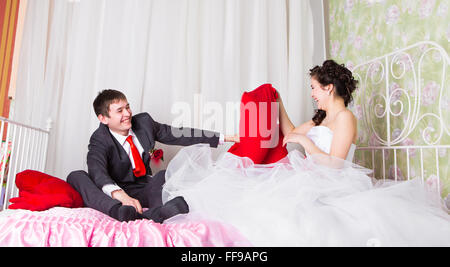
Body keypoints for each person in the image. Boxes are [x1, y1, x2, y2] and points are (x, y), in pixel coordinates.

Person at [162, 60, 450, 246]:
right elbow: (289, 135)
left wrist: (308, 144)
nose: (312, 93)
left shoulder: (345, 118)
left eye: (314, 88)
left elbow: (335, 165)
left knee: (285, 212)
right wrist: (277, 101)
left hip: (331, 180)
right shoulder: (319, 119)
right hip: (310, 173)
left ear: (329, 88)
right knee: (252, 195)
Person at [67, 89, 237, 223]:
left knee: (163, 176)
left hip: (141, 189)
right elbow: (97, 171)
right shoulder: (99, 139)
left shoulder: (144, 123)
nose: (127, 114)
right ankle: (118, 212)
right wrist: (121, 196)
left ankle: (156, 213)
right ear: (103, 119)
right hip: (113, 193)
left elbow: (178, 134)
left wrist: (223, 137)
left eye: (127, 107)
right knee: (76, 176)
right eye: (120, 111)